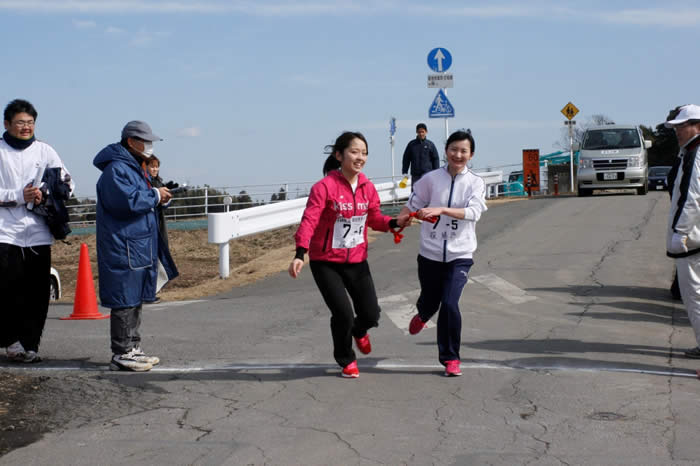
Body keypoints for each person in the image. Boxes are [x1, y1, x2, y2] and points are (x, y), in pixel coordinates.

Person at [288, 131, 408, 378]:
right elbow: (309, 220)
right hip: (326, 262)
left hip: (356, 260)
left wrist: (394, 222)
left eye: (364, 153)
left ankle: (359, 330)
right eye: (354, 152)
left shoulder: (367, 187)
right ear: (339, 155)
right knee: (342, 313)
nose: (360, 157)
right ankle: (346, 359)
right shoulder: (324, 188)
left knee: (371, 314)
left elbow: (374, 217)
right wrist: (301, 252)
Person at [398, 129, 487, 377]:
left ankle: (450, 358)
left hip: (460, 255)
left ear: (471, 154)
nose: (458, 155)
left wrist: (441, 210)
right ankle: (424, 313)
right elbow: (413, 204)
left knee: (449, 303)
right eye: (454, 149)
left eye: (464, 151)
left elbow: (473, 213)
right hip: (430, 253)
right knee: (430, 299)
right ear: (446, 150)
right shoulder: (430, 179)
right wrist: (401, 219)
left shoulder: (475, 183)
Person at [94, 120, 178, 371]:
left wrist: (159, 198)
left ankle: (132, 347)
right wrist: (154, 195)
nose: (149, 146)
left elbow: (141, 199)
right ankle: (121, 352)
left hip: (137, 244)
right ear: (131, 141)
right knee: (124, 298)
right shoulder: (116, 170)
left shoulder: (134, 167)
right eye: (146, 141)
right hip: (122, 244)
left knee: (136, 297)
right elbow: (125, 201)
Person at [0, 98, 74, 363]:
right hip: (4, 232)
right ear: (7, 124)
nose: (25, 127)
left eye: (30, 123)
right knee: (7, 289)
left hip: (38, 232)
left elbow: (68, 183)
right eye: (20, 122)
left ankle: (31, 345)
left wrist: (46, 193)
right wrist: (19, 195)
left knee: (36, 292)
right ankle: (10, 340)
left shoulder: (45, 151)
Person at [664, 104, 700, 360]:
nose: (677, 131)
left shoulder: (695, 154)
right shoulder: (689, 151)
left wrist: (681, 233)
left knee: (694, 294)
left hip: (693, 238)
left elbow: (691, 197)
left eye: (681, 126)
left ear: (696, 125)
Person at [402, 123, 440, 190]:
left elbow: (435, 159)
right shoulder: (411, 144)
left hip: (428, 174)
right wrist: (405, 172)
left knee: (428, 193)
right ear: (416, 132)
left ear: (426, 132)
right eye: (419, 132)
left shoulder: (430, 144)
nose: (421, 134)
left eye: (423, 132)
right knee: (415, 193)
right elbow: (406, 159)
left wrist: (436, 172)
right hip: (415, 175)